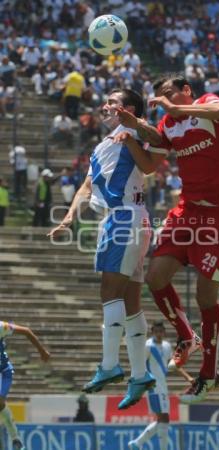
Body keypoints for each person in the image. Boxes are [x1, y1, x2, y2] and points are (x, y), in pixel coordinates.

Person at [115, 74, 219, 403]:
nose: (164, 100)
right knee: (156, 277)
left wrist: (174, 106)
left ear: (187, 90)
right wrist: (132, 131)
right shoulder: (169, 123)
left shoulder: (206, 104)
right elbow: (148, 164)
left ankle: (208, 374)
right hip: (187, 212)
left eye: (169, 93)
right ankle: (188, 336)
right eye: (159, 96)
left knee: (206, 297)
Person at [48, 89, 163, 410]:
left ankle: (110, 365)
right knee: (130, 301)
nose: (104, 105)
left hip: (124, 217)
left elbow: (153, 163)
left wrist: (133, 130)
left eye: (111, 102)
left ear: (126, 109)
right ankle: (139, 374)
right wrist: (69, 218)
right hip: (128, 219)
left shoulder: (136, 133)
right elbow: (86, 187)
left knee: (109, 293)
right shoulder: (101, 146)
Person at [128, 321, 194, 450]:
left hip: (163, 386)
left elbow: (173, 364)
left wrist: (188, 377)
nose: (159, 334)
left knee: (164, 419)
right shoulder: (148, 346)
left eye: (161, 331)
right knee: (163, 418)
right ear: (152, 332)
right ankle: (141, 444)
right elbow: (139, 365)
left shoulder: (167, 346)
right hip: (153, 387)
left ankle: (136, 444)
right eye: (156, 331)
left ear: (164, 332)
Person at [0, 320, 50, 450]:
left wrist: (42, 351)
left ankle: (15, 437)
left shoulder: (1, 327)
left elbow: (26, 331)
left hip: (3, 371)